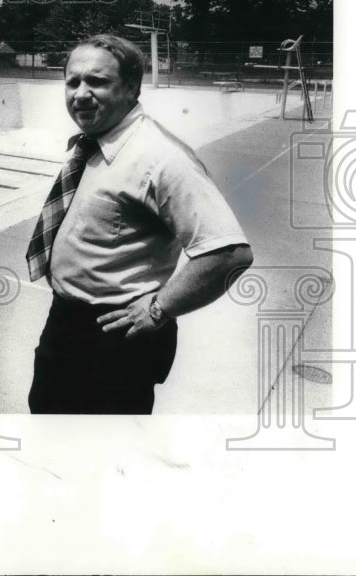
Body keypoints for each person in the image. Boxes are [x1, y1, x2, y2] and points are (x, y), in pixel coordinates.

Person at [25, 34, 253, 414]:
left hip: (112, 340)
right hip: (65, 324)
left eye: (96, 82)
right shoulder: (97, 143)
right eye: (72, 81)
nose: (80, 93)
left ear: (132, 88)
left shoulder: (161, 158)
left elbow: (229, 253)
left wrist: (159, 309)